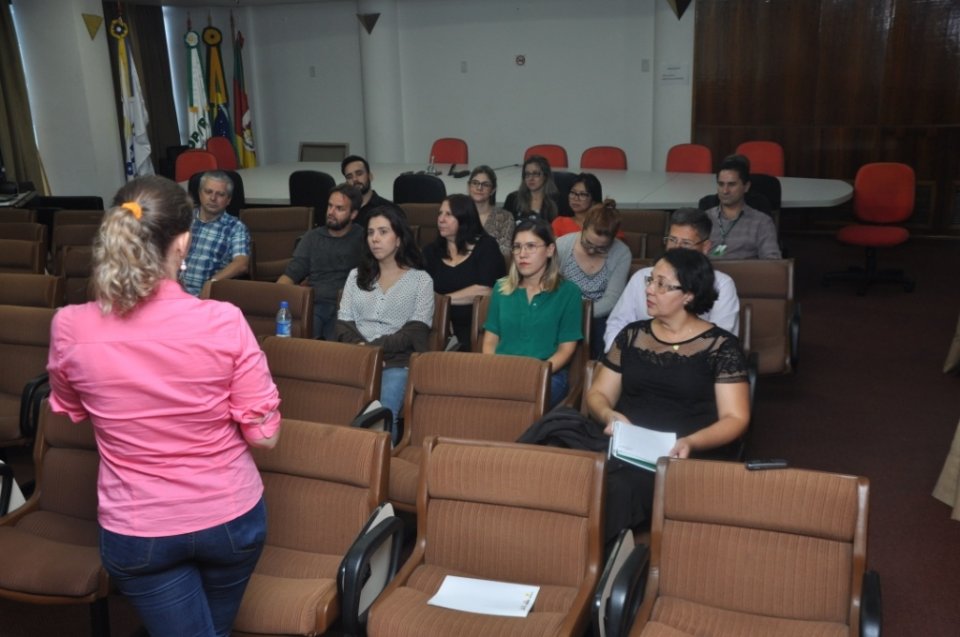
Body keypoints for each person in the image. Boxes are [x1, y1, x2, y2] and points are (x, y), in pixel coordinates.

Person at [46, 175, 280, 637]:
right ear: (185, 242)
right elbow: (266, 436)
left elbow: (72, 409)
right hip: (229, 518)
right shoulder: (223, 321)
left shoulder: (69, 326)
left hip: (139, 527)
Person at [587, 248, 750, 534]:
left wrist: (691, 443)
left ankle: (589, 567)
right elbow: (597, 394)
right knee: (564, 461)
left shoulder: (721, 346)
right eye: (651, 280)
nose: (649, 289)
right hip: (625, 445)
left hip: (681, 454)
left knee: (613, 490)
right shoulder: (632, 335)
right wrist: (608, 414)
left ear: (688, 295)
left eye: (662, 284)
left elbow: (735, 418)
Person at [335, 206, 433, 425]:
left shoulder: (421, 280)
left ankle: (379, 456)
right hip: (356, 357)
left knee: (383, 408)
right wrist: (364, 350)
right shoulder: (355, 276)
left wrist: (375, 351)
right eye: (370, 233)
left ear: (398, 239)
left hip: (396, 363)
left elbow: (415, 331)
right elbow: (343, 324)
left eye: (383, 232)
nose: (375, 239)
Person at [604, 207, 740, 352]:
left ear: (706, 247)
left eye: (686, 243)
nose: (676, 248)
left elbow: (721, 339)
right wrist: (623, 358)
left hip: (693, 365)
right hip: (639, 361)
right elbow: (617, 323)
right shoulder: (641, 277)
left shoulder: (721, 284)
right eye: (672, 240)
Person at [483, 218, 582, 407]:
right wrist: (493, 370)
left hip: (546, 373)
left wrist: (537, 373)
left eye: (531, 246)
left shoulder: (569, 292)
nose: (522, 254)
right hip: (502, 371)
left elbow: (566, 349)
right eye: (517, 247)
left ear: (550, 250)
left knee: (520, 399)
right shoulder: (501, 288)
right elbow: (490, 341)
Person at [277, 183, 364, 339]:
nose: (331, 212)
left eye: (339, 209)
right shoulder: (312, 237)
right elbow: (291, 274)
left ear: (353, 214)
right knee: (304, 337)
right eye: (330, 206)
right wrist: (276, 298)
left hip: (347, 306)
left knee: (336, 341)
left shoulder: (363, 238)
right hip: (314, 304)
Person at [423, 194, 506, 350]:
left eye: (448, 214)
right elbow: (422, 291)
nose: (441, 219)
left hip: (480, 328)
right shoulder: (431, 252)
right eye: (440, 213)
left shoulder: (486, 246)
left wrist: (443, 302)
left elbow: (486, 290)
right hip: (440, 328)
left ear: (464, 218)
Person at [555, 199, 631, 359]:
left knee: (602, 333)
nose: (591, 250)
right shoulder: (562, 246)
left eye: (601, 248)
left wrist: (582, 314)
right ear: (582, 228)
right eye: (587, 243)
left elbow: (612, 300)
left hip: (600, 314)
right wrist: (569, 314)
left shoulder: (621, 253)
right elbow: (551, 286)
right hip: (563, 309)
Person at [180, 170, 251, 296]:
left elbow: (241, 264)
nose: (213, 198)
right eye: (208, 192)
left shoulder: (235, 227)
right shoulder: (183, 218)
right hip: (172, 293)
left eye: (220, 194)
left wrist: (213, 281)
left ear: (228, 200)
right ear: (200, 193)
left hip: (204, 297)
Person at [705, 154, 781, 259]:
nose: (725, 191)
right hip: (709, 274)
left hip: (746, 274)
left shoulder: (762, 222)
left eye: (732, 184)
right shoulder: (704, 219)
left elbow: (772, 263)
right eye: (721, 184)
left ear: (746, 187)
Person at [341, 154, 405, 226]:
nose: (355, 179)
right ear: (346, 183)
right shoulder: (342, 211)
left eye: (359, 173)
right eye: (349, 177)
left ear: (370, 176)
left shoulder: (390, 209)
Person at [467, 165, 515, 256]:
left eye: (485, 184)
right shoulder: (458, 213)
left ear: (493, 190)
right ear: (469, 187)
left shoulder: (505, 217)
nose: (479, 188)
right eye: (475, 183)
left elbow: (505, 254)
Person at [503, 155, 560, 222]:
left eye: (535, 174)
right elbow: (504, 228)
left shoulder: (556, 200)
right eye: (527, 174)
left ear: (545, 176)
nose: (531, 178)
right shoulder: (513, 199)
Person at [552, 173, 603, 238]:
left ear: (594, 199)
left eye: (582, 194)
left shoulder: (603, 223)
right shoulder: (559, 223)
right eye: (573, 193)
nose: (575, 198)